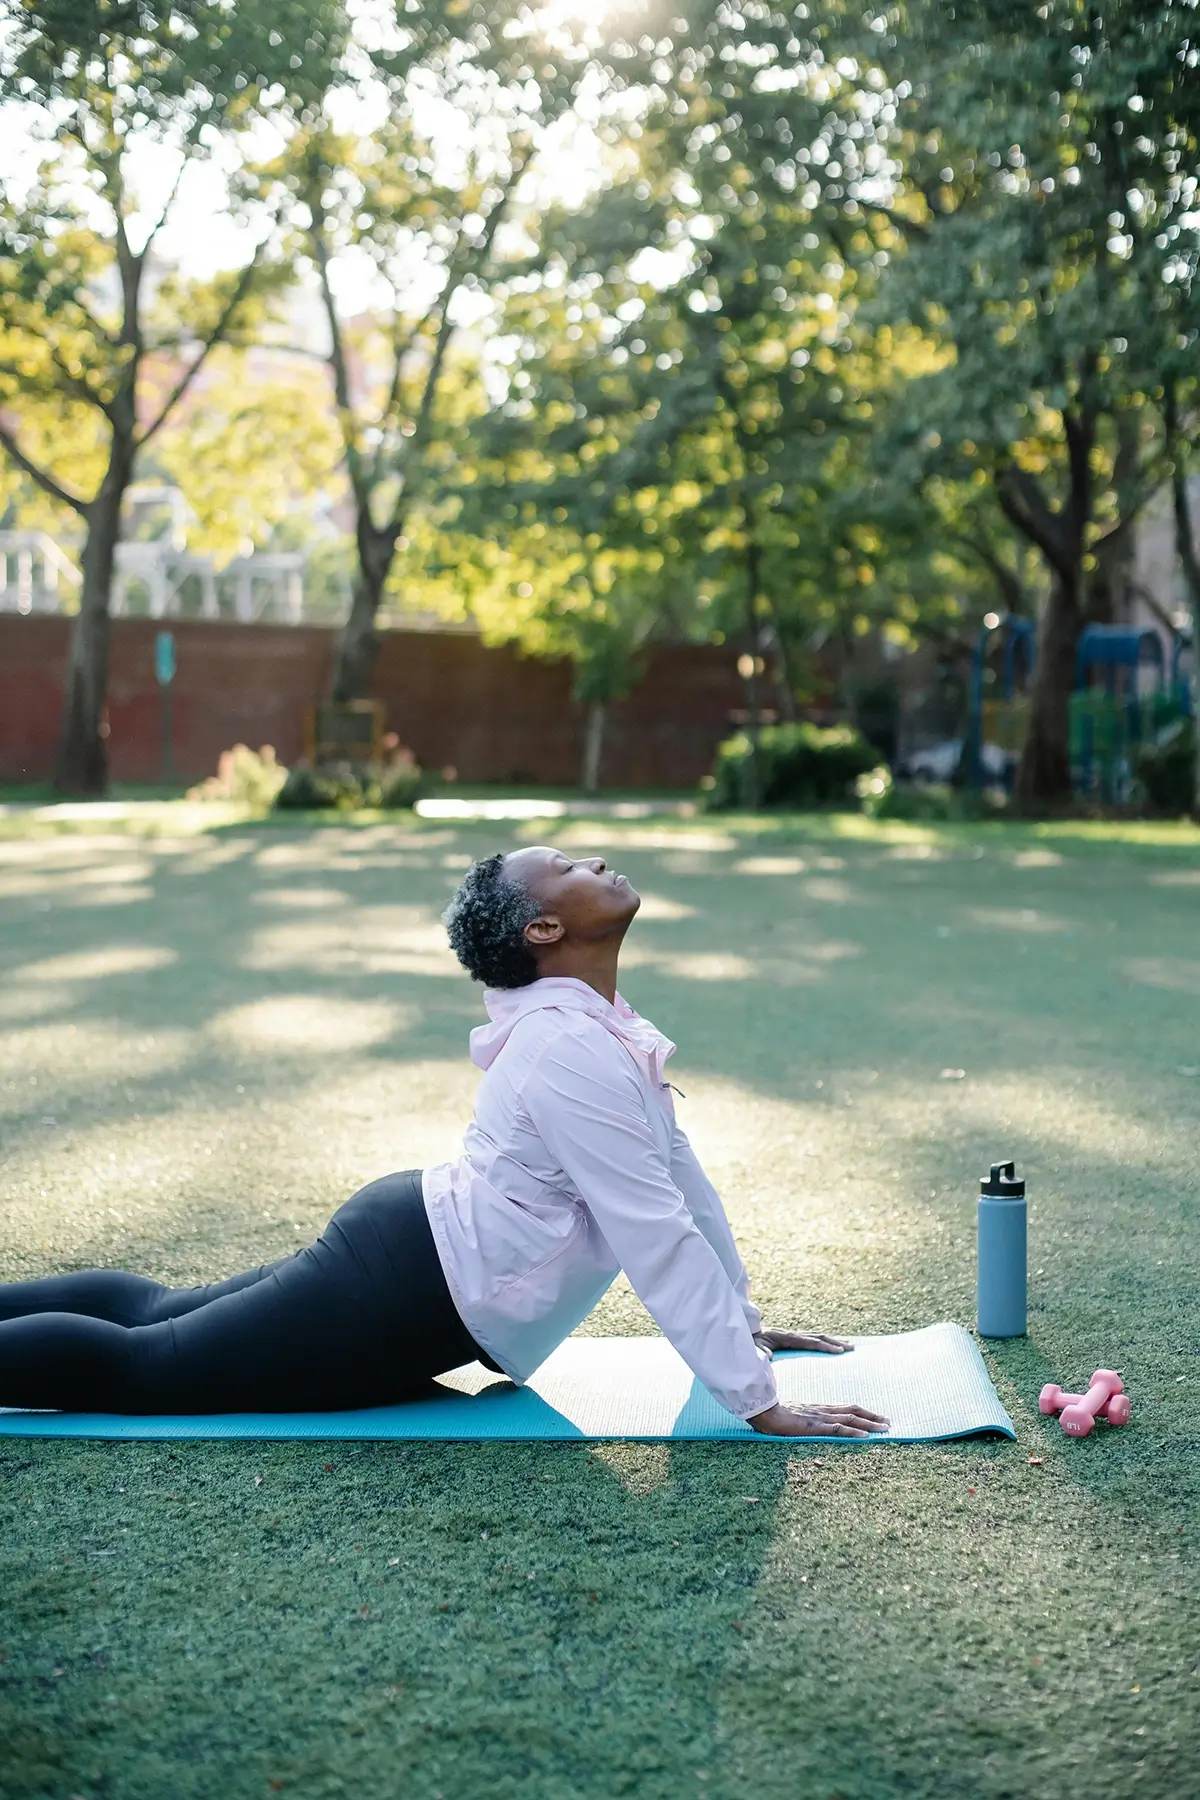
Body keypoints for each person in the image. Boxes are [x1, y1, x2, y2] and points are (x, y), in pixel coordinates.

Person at [0, 847, 888, 1439]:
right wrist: (758, 1403)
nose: (596, 860)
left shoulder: (598, 1027)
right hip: (405, 1286)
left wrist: (743, 1323)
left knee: (158, 1316)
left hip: (410, 1251)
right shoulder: (571, 1048)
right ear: (543, 930)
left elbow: (678, 1177)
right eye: (570, 866)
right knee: (150, 1366)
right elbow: (650, 1226)